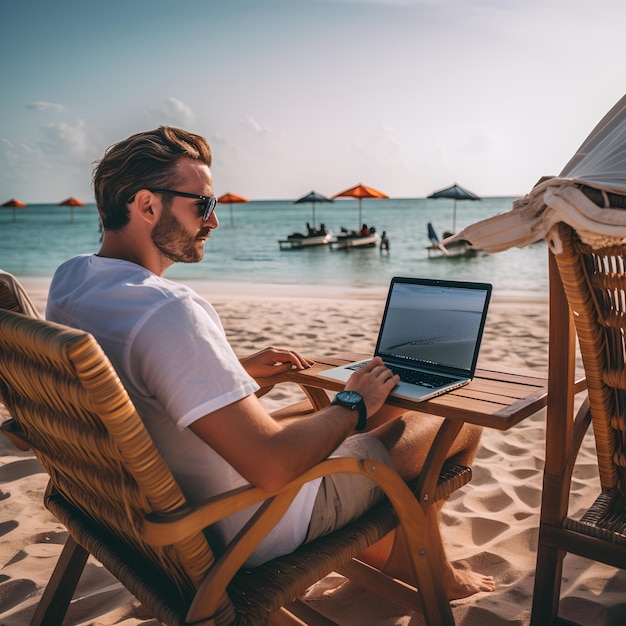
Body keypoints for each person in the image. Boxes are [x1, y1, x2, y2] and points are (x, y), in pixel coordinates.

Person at [46, 126, 494, 599]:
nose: (214, 222)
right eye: (203, 204)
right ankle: (430, 567)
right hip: (254, 523)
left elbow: (134, 377)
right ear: (147, 205)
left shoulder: (73, 281)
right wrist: (355, 402)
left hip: (160, 508)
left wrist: (231, 368)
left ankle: (393, 548)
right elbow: (274, 467)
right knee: (451, 419)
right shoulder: (168, 309)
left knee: (343, 411)